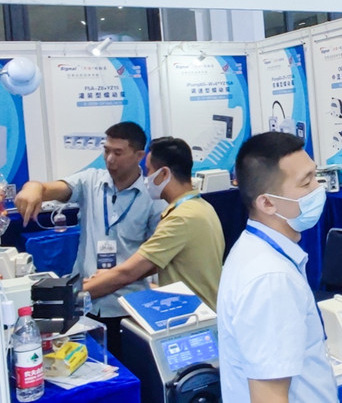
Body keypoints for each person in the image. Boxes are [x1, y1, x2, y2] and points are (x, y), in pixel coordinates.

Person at [13, 121, 163, 356]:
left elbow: (157, 257)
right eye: (106, 150)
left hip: (128, 307)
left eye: (118, 153)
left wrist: (117, 277)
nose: (109, 159)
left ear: (139, 156)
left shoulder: (153, 198)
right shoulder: (90, 181)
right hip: (84, 303)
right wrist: (33, 188)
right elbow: (48, 188)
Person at [217, 132, 337, 402]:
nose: (318, 188)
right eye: (306, 183)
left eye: (315, 176)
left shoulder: (256, 251)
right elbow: (269, 395)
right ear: (267, 203)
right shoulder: (270, 278)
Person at [83, 136, 224, 310]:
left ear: (164, 174)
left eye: (149, 171)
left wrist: (76, 294)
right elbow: (152, 263)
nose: (146, 178)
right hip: (204, 309)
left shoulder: (181, 219)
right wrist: (108, 275)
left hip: (191, 316)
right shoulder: (201, 208)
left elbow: (128, 273)